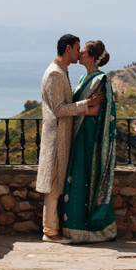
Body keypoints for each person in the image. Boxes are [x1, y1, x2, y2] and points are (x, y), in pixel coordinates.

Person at [36, 34, 102, 243]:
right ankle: (50, 232)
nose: (79, 53)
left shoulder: (61, 71)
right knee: (54, 187)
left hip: (61, 139)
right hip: (57, 139)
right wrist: (87, 105)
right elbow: (58, 109)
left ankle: (53, 229)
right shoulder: (55, 74)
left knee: (56, 186)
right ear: (67, 49)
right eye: (76, 49)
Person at [62, 40, 117, 243]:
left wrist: (78, 108)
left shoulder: (101, 80)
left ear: (92, 57)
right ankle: (72, 229)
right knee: (76, 179)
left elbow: (98, 110)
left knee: (85, 179)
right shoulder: (84, 77)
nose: (79, 55)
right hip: (79, 134)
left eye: (83, 52)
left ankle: (90, 230)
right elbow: (87, 105)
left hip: (90, 137)